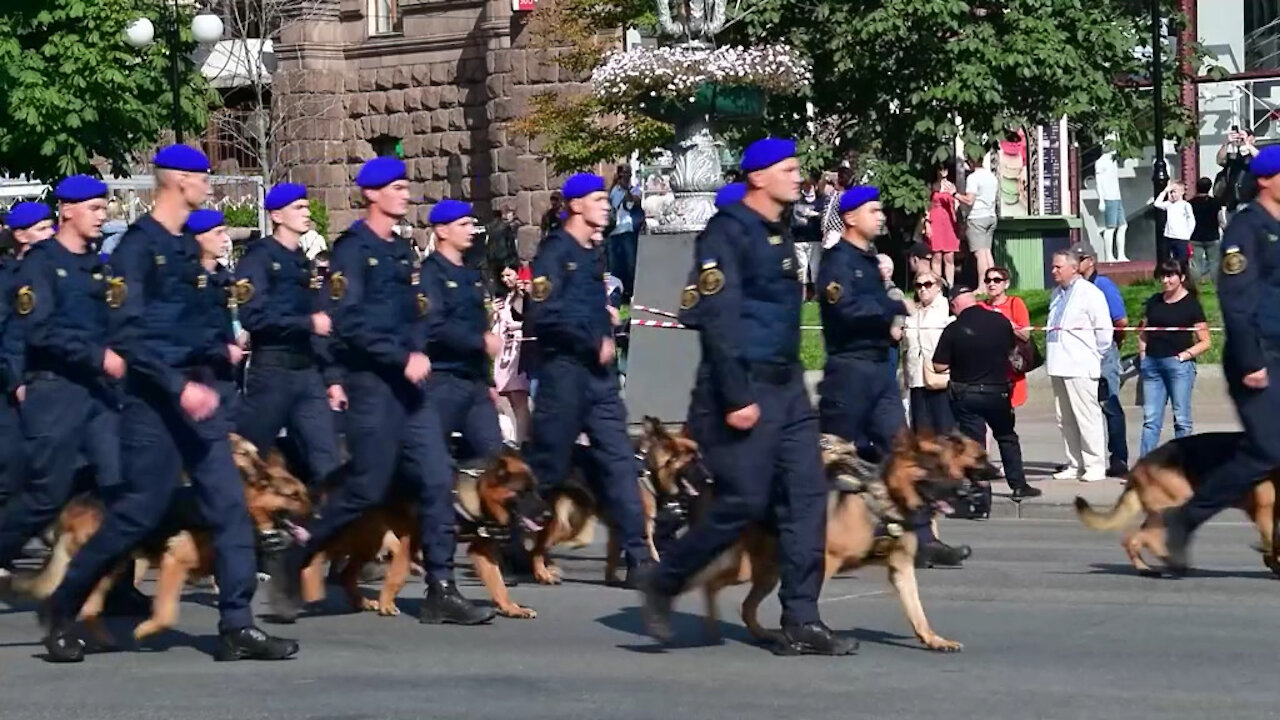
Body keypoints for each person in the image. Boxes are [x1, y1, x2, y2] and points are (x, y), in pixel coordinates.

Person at [40, 145, 297, 663]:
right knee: (138, 514)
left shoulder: (185, 249)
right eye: (203, 176)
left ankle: (236, 624)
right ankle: (63, 607)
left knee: (228, 506)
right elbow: (128, 336)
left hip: (199, 402)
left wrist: (217, 352)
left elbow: (200, 321)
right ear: (179, 180)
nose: (210, 184)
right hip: (154, 406)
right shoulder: (137, 250)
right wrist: (178, 386)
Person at [638, 138, 856, 655]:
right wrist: (737, 396)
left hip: (785, 387)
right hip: (738, 388)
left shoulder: (777, 231)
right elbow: (716, 317)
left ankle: (802, 618)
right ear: (758, 176)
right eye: (788, 168)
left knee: (805, 499)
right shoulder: (726, 233)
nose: (798, 176)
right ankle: (665, 579)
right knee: (743, 501)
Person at [271, 157, 494, 626]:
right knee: (366, 488)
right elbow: (348, 322)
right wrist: (399, 357)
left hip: (410, 391)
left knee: (437, 478)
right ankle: (296, 558)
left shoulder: (399, 252)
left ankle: (441, 587)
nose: (404, 194)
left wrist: (415, 351)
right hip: (371, 386)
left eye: (404, 186)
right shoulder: (353, 251)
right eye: (395, 187)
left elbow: (415, 316)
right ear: (370, 194)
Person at [815, 185, 968, 568]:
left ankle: (923, 538)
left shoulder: (868, 261)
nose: (881, 216)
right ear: (850, 218)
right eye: (873, 210)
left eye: (881, 210)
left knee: (903, 453)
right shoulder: (836, 261)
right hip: (849, 372)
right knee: (829, 459)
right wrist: (889, 305)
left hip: (878, 372)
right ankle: (800, 537)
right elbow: (842, 309)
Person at [0, 177, 127, 585]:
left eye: (104, 208)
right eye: (94, 208)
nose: (102, 215)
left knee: (118, 485)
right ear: (67, 210)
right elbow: (38, 330)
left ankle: (115, 585)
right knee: (46, 495)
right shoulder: (38, 265)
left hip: (98, 395)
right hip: (54, 393)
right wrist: (98, 355)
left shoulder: (99, 267)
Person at [524, 173, 649, 587]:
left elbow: (583, 306)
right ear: (575, 205)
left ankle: (638, 557)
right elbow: (543, 315)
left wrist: (606, 318)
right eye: (598, 199)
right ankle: (507, 540)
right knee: (548, 468)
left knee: (620, 463)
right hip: (564, 377)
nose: (605, 205)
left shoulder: (593, 254)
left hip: (599, 382)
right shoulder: (554, 253)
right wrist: (590, 336)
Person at [1163, 145, 1280, 573]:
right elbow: (1235, 299)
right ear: (1266, 179)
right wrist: (1251, 361)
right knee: (1268, 449)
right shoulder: (1246, 229)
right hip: (1258, 357)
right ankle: (1182, 519)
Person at [234, 183, 344, 491]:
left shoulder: (302, 262)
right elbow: (252, 317)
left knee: (327, 458)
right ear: (276, 215)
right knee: (250, 457)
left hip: (307, 372)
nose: (306, 213)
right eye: (298, 208)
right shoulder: (257, 258)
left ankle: (330, 532)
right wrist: (306, 322)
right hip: (272, 372)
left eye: (307, 207)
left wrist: (331, 378)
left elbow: (320, 324)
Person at [933, 282, 1042, 503]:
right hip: (998, 392)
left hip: (966, 394)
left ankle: (981, 492)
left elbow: (938, 366)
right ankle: (1019, 485)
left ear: (954, 305)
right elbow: (1012, 349)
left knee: (974, 444)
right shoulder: (1000, 321)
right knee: (1007, 437)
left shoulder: (953, 329)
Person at [420, 199, 504, 461]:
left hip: (474, 384)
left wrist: (488, 381)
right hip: (443, 382)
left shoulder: (470, 276)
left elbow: (478, 323)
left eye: (471, 224)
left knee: (496, 461)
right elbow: (434, 327)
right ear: (442, 231)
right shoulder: (430, 274)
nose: (471, 229)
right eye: (463, 224)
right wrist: (480, 342)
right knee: (432, 461)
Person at [1045, 247, 1113, 483]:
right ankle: (1075, 463)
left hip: (1080, 364)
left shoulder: (1089, 293)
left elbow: (1104, 331)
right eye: (1053, 266)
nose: (1053, 270)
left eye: (1058, 267)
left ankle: (1095, 464)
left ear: (1073, 268)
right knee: (1065, 418)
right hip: (1058, 364)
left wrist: (1094, 354)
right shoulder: (1056, 294)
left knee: (1087, 416)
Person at [0, 201, 51, 514]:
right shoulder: (9, 278)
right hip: (12, 384)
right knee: (13, 464)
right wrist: (15, 378)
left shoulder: (54, 272)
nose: (50, 235)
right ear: (21, 236)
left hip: (50, 381)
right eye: (42, 229)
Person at [1137, 259, 1210, 458]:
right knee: (1151, 420)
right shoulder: (1154, 301)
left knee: (1181, 419)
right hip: (1152, 364)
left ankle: (1183, 466)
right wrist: (1143, 356)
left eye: (1170, 276)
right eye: (1162, 276)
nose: (1165, 281)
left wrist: (1183, 356)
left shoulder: (1192, 305)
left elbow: (1205, 341)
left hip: (1178, 366)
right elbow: (1144, 332)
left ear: (1182, 278)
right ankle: (1145, 467)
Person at [1076, 244, 1129, 477]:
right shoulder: (1075, 288)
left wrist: (1113, 343)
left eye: (1078, 260)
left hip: (1104, 352)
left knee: (1110, 405)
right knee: (1085, 407)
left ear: (1090, 261)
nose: (1074, 265)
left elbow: (1121, 321)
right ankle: (1085, 458)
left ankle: (1118, 458)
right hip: (1081, 353)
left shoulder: (1103, 285)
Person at [901, 269, 953, 434]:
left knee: (944, 430)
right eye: (918, 285)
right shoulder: (912, 313)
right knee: (920, 431)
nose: (923, 289)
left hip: (940, 379)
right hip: (916, 378)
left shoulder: (946, 309)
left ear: (938, 287)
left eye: (928, 284)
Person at [978, 266, 1031, 409]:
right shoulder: (980, 306)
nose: (992, 284)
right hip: (985, 367)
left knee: (1006, 414)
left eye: (997, 280)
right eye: (988, 280)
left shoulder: (1015, 303)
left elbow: (1025, 335)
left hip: (1009, 366)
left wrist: (1005, 322)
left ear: (1006, 284)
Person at [954, 152, 998, 286]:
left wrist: (954, 194)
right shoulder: (992, 177)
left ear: (971, 162)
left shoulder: (973, 178)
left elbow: (969, 200)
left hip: (977, 217)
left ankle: (982, 286)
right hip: (991, 216)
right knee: (987, 252)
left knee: (979, 254)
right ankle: (994, 282)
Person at [925, 164, 960, 288]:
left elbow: (957, 203)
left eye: (945, 168)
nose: (942, 171)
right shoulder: (932, 186)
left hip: (949, 222)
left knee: (949, 256)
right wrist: (927, 223)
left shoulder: (952, 186)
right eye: (940, 169)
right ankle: (937, 285)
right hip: (935, 221)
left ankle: (950, 286)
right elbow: (927, 207)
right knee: (937, 255)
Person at [1189, 177, 1226, 283]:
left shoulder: (1191, 203)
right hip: (1212, 236)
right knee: (1214, 262)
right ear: (1210, 187)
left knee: (1195, 262)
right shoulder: (1216, 202)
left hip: (1195, 236)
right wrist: (1226, 230)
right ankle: (1216, 283)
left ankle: (1195, 284)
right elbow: (1221, 220)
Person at [1154, 182, 1195, 263]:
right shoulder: (1169, 204)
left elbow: (1191, 220)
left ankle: (1183, 274)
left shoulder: (1185, 205)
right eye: (1171, 192)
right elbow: (1157, 204)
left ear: (1182, 192)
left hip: (1181, 238)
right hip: (1168, 236)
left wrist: (1188, 234)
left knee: (1182, 260)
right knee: (1169, 260)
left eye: (1175, 192)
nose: (1173, 194)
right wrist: (1165, 191)